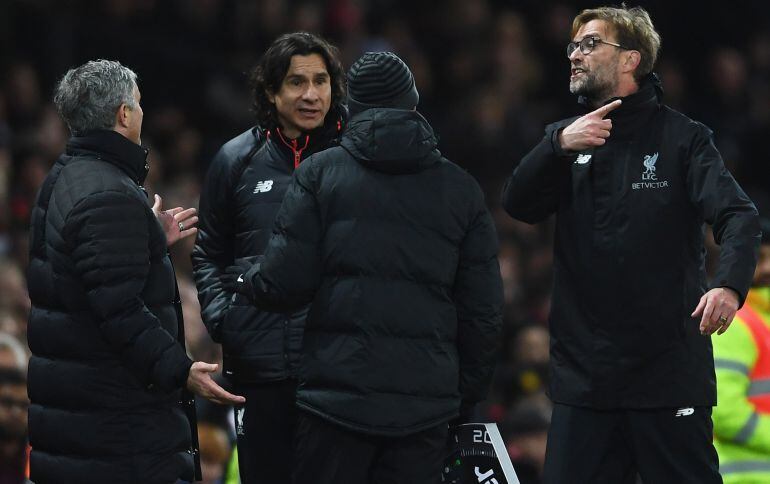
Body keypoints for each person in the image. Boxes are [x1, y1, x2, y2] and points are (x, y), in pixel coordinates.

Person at [501, 5, 761, 483]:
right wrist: (556, 145)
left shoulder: (684, 140)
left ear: (631, 60)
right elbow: (518, 203)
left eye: (590, 43)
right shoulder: (567, 140)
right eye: (573, 46)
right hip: (585, 383)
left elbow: (738, 215)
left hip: (666, 376)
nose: (575, 56)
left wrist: (728, 287)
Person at [223, 51, 503, 484]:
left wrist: (245, 277)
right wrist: (462, 397)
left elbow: (284, 283)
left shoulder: (319, 175)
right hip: (424, 408)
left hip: (335, 406)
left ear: (351, 107)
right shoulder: (461, 189)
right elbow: (483, 313)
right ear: (413, 102)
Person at [26, 59, 244, 484]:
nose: (142, 113)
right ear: (123, 114)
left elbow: (79, 277)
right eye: (139, 104)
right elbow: (118, 310)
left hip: (81, 427)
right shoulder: (109, 195)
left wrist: (144, 242)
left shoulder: (65, 177)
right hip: (116, 437)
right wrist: (180, 369)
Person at [191, 31, 346, 483]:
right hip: (259, 368)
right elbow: (209, 253)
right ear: (271, 91)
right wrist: (225, 319)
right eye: (297, 82)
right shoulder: (235, 160)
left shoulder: (354, 155)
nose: (312, 94)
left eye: (321, 81)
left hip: (335, 368)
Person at [712, 217, 770, 483]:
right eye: (760, 257)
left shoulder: (761, 319)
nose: (768, 268)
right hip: (741, 477)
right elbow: (724, 410)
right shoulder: (737, 323)